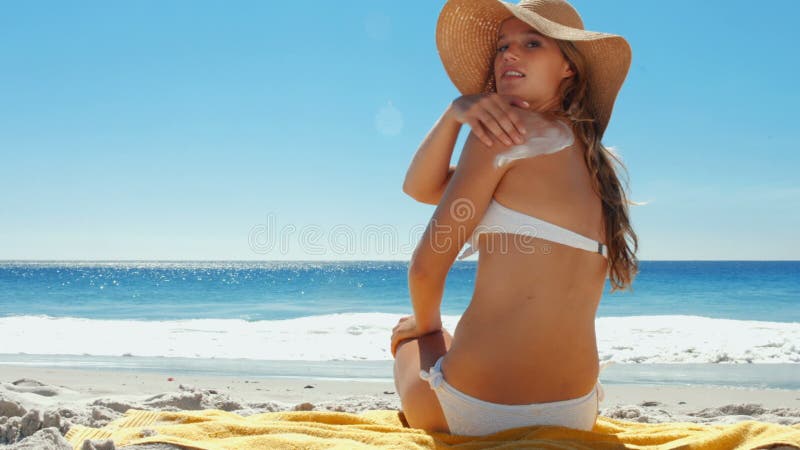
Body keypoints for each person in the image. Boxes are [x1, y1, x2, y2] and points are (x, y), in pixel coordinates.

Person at [391, 0, 641, 437]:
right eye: (503, 45)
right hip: (577, 411)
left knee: (409, 339)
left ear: (568, 67)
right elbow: (422, 188)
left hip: (478, 408)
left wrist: (426, 330)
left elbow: (425, 268)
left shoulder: (503, 134)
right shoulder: (590, 156)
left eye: (531, 42)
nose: (509, 53)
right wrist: (455, 113)